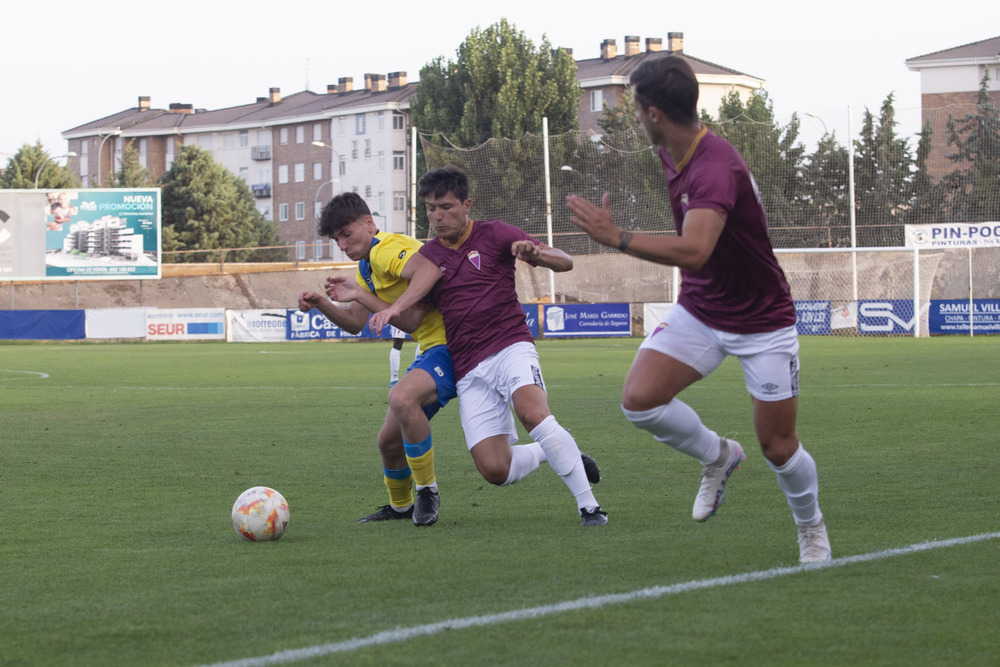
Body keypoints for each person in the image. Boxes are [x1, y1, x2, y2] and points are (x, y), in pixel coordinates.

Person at [566, 56, 831, 562]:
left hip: (761, 321)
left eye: (636, 108)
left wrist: (616, 237)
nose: (635, 118)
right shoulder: (672, 150)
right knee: (639, 401)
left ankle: (810, 526)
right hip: (702, 309)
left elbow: (695, 250)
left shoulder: (714, 166)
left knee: (778, 446)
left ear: (654, 113)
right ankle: (719, 456)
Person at [368, 165, 607, 527]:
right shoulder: (430, 257)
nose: (437, 216)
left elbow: (566, 261)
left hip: (511, 347)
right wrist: (385, 308)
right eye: (431, 208)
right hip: (468, 368)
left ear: (467, 205)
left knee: (532, 413)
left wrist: (535, 254)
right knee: (495, 469)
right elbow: (416, 321)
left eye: (446, 207)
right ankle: (552, 448)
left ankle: (589, 508)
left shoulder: (495, 233)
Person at [298, 192, 451, 526]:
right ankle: (401, 507)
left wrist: (361, 294)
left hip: (456, 342)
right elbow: (355, 322)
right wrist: (323, 303)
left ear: (369, 223)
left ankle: (427, 491)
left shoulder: (385, 249)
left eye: (347, 234)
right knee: (388, 440)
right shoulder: (368, 265)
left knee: (401, 397)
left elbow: (420, 294)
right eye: (336, 238)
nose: (342, 243)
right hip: (432, 345)